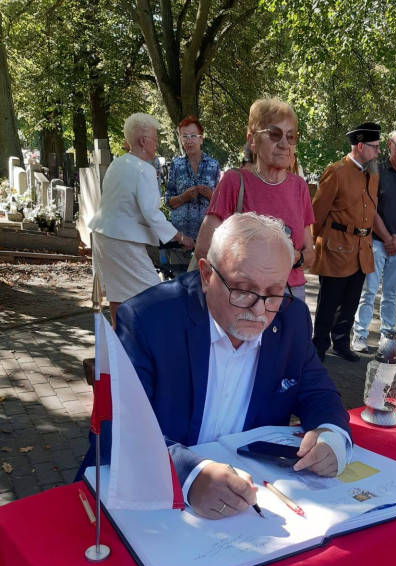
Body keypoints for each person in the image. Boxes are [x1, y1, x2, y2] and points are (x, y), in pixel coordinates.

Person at [116, 213, 351, 519]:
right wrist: (190, 474)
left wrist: (332, 436)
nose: (259, 310)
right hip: (153, 501)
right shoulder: (148, 320)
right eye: (242, 288)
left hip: (254, 503)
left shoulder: (290, 320)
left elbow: (319, 393)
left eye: (274, 292)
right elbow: (118, 430)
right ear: (206, 275)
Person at [194, 98, 315, 303]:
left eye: (291, 136)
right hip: (247, 297)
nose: (284, 144)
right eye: (274, 134)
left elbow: (310, 255)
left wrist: (295, 257)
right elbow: (204, 250)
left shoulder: (299, 186)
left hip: (291, 295)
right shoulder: (234, 182)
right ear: (252, 141)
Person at [89, 113, 194, 327]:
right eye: (155, 139)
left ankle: (121, 345)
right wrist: (181, 237)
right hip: (121, 241)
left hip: (102, 236)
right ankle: (145, 346)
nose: (156, 144)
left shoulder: (117, 164)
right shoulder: (143, 169)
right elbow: (151, 213)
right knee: (154, 294)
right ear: (143, 141)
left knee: (118, 294)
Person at [310, 122, 381, 362]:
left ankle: (341, 343)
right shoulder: (337, 171)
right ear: (360, 146)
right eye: (374, 147)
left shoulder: (372, 173)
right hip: (336, 248)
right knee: (329, 304)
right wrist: (310, 244)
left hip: (361, 250)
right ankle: (318, 347)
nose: (378, 152)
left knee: (350, 304)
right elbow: (317, 212)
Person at [352, 128, 396, 353]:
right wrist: (387, 237)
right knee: (368, 291)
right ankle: (360, 334)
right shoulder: (375, 171)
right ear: (389, 145)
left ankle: (387, 335)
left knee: (391, 294)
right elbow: (369, 209)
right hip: (376, 242)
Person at [165, 116, 221, 242]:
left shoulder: (213, 165)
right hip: (180, 238)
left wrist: (210, 195)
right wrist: (184, 197)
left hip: (207, 237)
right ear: (180, 139)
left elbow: (221, 202)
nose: (189, 140)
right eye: (184, 136)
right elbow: (168, 201)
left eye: (193, 135)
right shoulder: (176, 164)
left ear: (201, 138)